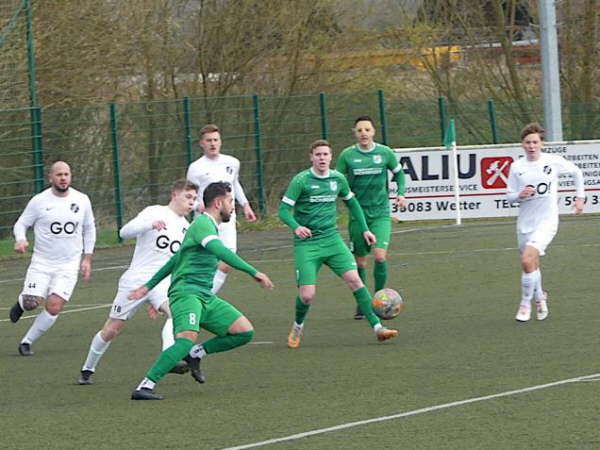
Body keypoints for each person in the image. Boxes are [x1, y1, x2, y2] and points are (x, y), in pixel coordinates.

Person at [128, 182, 273, 400]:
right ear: (218, 202)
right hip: (186, 293)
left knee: (244, 332)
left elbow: (176, 259)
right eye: (230, 201)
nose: (233, 207)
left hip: (204, 295)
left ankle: (196, 354)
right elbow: (220, 250)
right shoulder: (203, 224)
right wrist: (253, 271)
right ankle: (144, 386)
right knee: (185, 339)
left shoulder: (206, 226)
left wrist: (148, 286)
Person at [279, 139, 398, 348]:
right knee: (307, 296)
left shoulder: (338, 179)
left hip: (332, 240)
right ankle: (298, 325)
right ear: (311, 157)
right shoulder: (301, 180)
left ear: (331, 157)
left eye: (325, 154)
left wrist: (365, 229)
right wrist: (296, 226)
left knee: (355, 280)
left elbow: (352, 203)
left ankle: (378, 328)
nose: (322, 158)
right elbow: (283, 211)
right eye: (318, 155)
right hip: (307, 244)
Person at [77, 180, 198, 385]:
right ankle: (87, 369)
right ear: (174, 194)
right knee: (111, 329)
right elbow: (124, 232)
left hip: (161, 283)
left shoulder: (187, 227)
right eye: (188, 197)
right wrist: (149, 225)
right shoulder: (154, 212)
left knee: (176, 313)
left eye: (194, 199)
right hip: (136, 280)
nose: (191, 202)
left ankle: (168, 356)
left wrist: (154, 300)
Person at [9, 161, 96, 356]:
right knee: (32, 302)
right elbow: (21, 224)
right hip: (42, 262)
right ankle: (21, 304)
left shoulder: (82, 200)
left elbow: (89, 229)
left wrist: (87, 259)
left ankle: (26, 341)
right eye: (59, 175)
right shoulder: (39, 201)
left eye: (66, 174)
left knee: (55, 305)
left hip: (69, 263)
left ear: (70, 177)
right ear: (51, 178)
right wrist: (21, 239)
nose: (63, 178)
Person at [506, 123, 585, 322]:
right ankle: (540, 297)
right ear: (522, 145)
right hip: (525, 222)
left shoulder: (553, 161)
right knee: (531, 263)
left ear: (542, 143)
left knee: (526, 260)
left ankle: (525, 304)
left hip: (547, 221)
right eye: (527, 143)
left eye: (535, 142)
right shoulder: (517, 167)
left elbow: (577, 172)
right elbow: (509, 196)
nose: (531, 146)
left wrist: (580, 197)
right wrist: (519, 195)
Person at [336, 116, 407, 320]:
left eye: (367, 129)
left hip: (381, 214)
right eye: (360, 130)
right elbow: (338, 179)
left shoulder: (384, 153)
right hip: (358, 216)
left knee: (379, 256)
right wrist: (344, 195)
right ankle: (363, 302)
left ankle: (379, 300)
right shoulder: (347, 156)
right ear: (355, 133)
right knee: (360, 262)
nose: (364, 133)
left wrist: (400, 193)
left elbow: (399, 174)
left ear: (373, 131)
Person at [186, 124, 256, 294]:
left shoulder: (232, 162)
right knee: (205, 263)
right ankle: (191, 296)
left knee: (227, 262)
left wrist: (245, 205)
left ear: (221, 142)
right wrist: (197, 206)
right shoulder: (196, 168)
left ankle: (205, 297)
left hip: (227, 219)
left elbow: (235, 184)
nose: (213, 144)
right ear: (201, 143)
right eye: (208, 140)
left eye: (216, 140)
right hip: (206, 221)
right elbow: (188, 194)